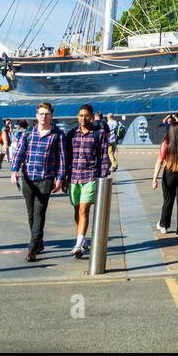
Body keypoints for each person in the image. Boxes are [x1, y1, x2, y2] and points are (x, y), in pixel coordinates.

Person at [10, 103, 68, 262]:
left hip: (46, 179)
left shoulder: (58, 135)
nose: (44, 117)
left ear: (52, 115)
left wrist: (60, 178)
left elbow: (62, 159)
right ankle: (39, 241)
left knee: (39, 213)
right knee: (30, 214)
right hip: (28, 178)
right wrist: (14, 171)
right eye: (41, 114)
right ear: (36, 116)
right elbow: (19, 154)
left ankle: (32, 248)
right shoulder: (28, 134)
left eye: (47, 114)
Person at [63, 104, 109, 258]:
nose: (83, 118)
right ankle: (81, 239)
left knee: (84, 210)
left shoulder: (99, 134)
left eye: (86, 115)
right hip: (74, 177)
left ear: (92, 116)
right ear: (77, 116)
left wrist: (102, 178)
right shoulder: (71, 134)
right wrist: (63, 178)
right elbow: (66, 158)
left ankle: (78, 245)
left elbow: (103, 156)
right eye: (81, 115)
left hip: (90, 176)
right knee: (77, 211)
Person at [151, 115, 178, 237]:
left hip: (169, 173)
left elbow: (159, 161)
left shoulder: (166, 143)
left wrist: (154, 179)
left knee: (168, 200)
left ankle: (164, 225)